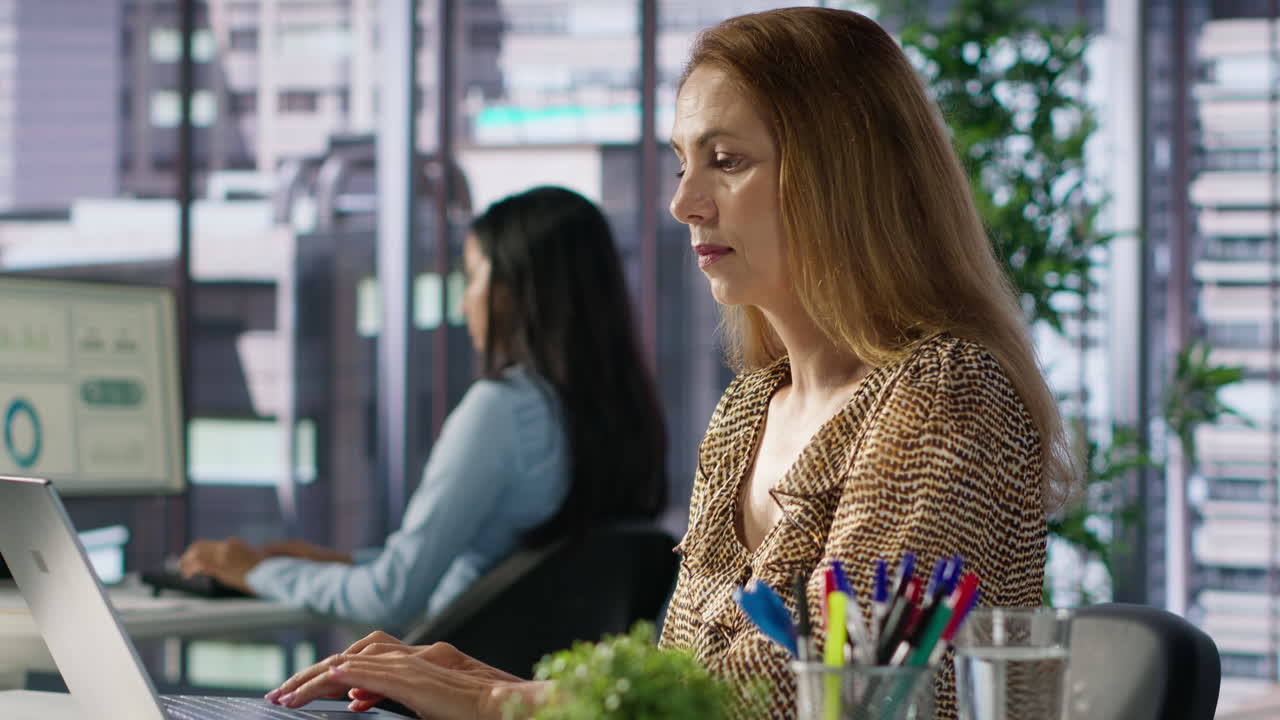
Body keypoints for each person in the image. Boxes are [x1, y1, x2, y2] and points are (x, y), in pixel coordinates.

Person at [262, 8, 1076, 719]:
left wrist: (506, 702)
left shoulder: (949, 391)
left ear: (842, 177)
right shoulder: (747, 410)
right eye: (683, 161)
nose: (684, 201)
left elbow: (820, 691)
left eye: (727, 160)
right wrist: (499, 687)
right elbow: (683, 684)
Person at [179, 186, 668, 630]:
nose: (464, 306)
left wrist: (257, 571)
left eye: (473, 279)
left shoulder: (504, 410)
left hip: (439, 686)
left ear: (512, 292)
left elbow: (389, 601)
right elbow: (500, 568)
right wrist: (345, 564)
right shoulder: (624, 414)